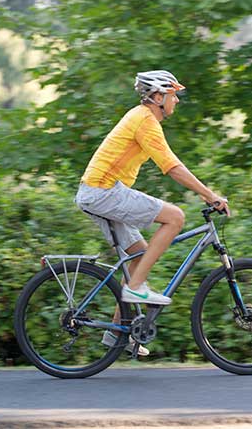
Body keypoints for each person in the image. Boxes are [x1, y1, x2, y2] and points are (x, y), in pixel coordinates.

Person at [74, 70, 230, 355]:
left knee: (138, 252)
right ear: (158, 97)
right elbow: (172, 167)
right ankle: (134, 288)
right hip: (103, 191)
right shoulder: (145, 120)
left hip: (100, 191)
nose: (177, 101)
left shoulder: (142, 118)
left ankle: (116, 335)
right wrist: (211, 196)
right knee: (176, 217)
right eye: (173, 96)